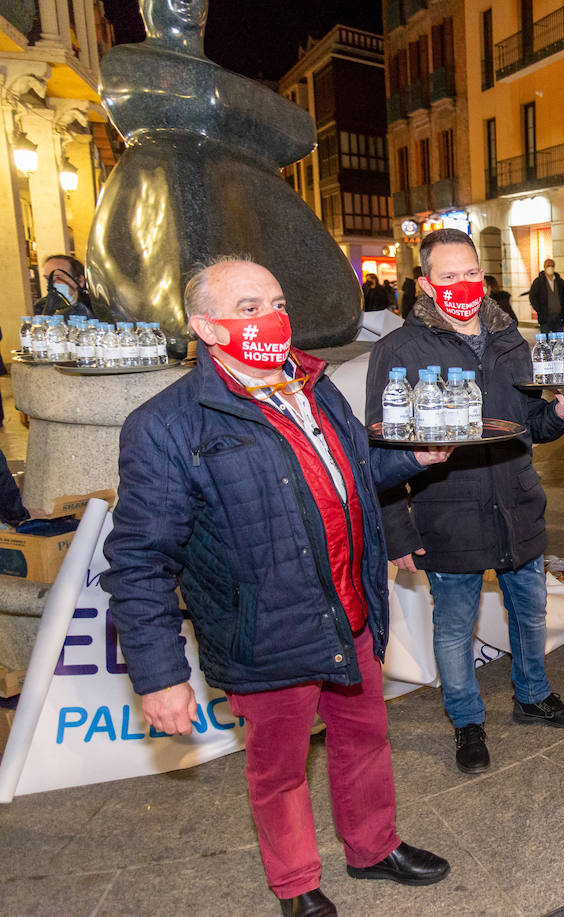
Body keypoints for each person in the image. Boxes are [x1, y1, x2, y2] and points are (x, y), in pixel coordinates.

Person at [103, 256, 453, 916]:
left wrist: (412, 457)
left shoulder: (311, 385)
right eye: (249, 307)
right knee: (279, 768)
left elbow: (349, 469)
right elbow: (141, 560)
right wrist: (159, 675)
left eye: (277, 302)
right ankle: (296, 885)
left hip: (350, 609)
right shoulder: (168, 424)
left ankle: (373, 846)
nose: (273, 318)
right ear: (206, 327)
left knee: (365, 740)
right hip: (266, 631)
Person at [367, 229, 564, 776]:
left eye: (470, 273)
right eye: (448, 276)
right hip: (448, 512)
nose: (463, 284)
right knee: (453, 626)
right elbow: (380, 452)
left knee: (530, 611)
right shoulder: (399, 350)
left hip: (516, 502)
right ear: (426, 283)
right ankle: (467, 721)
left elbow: (530, 425)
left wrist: (563, 412)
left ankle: (533, 697)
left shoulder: (510, 339)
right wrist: (397, 529)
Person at [33, 253, 95, 318]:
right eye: (48, 279)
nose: (51, 284)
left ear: (80, 281)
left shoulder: (94, 309)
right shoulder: (41, 307)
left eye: (58, 278)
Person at [529, 259, 564, 334]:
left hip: (559, 317)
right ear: (544, 267)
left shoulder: (560, 281)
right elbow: (532, 297)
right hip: (545, 317)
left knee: (559, 339)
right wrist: (539, 311)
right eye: (548, 265)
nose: (550, 267)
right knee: (545, 338)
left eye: (552, 266)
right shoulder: (538, 282)